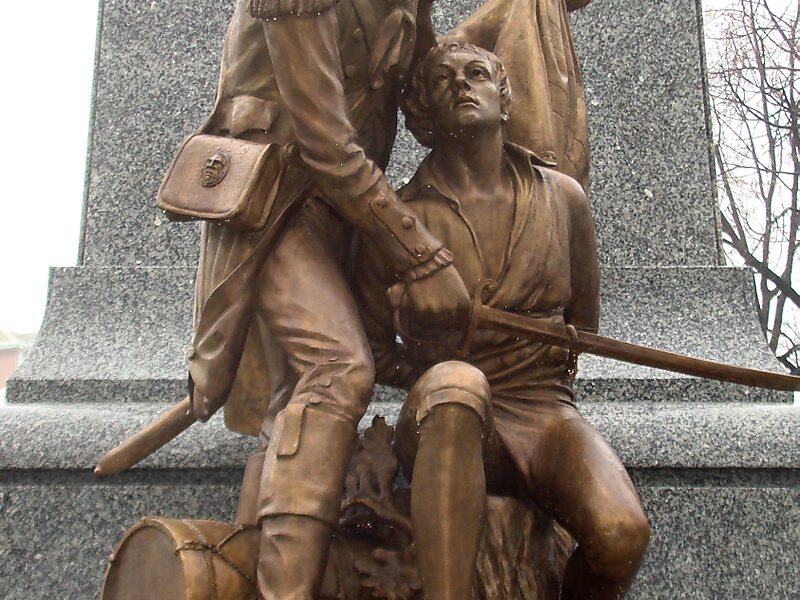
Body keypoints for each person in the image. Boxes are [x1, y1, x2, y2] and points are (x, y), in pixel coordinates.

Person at [181, 1, 470, 598]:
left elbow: (424, 76)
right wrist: (419, 252)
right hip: (274, 199)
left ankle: (246, 565)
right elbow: (323, 139)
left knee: (292, 398)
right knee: (338, 368)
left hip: (342, 206)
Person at [355, 41, 650, 600]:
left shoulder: (564, 200)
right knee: (458, 384)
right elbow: (371, 349)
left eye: (476, 74)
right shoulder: (400, 218)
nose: (461, 85)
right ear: (421, 112)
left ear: (503, 97)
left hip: (544, 411)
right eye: (442, 80)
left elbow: (581, 324)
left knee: (620, 535)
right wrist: (428, 362)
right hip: (446, 420)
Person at [447, 0, 593, 190]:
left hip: (543, 160)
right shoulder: (521, 6)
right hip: (525, 160)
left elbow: (453, 43)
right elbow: (452, 46)